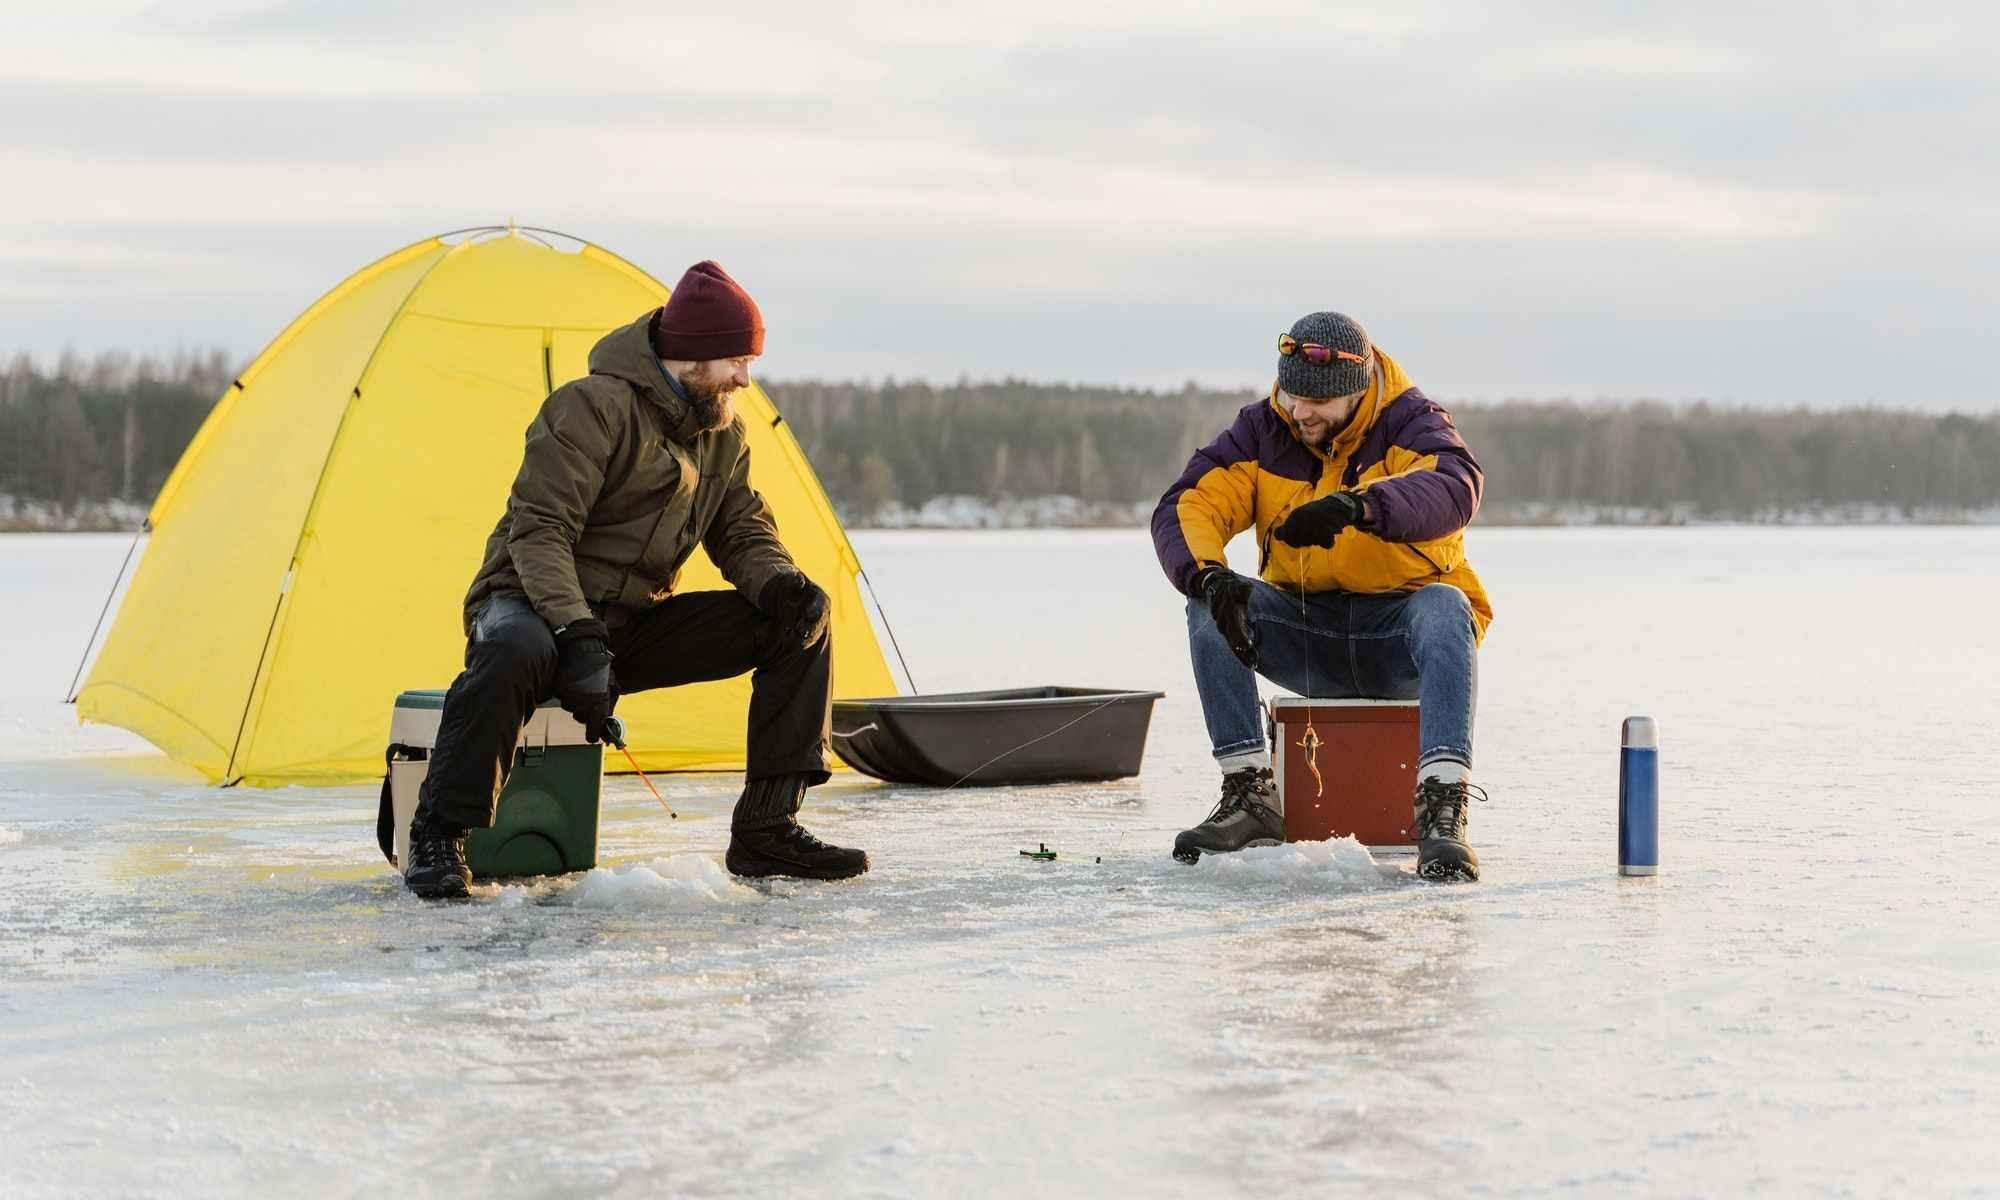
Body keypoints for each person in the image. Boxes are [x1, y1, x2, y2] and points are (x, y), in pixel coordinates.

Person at [402, 261, 866, 900]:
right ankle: (437, 835)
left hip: (626, 623)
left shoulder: (722, 433)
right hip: (526, 603)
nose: (745, 377)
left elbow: (740, 529)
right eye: (735, 359)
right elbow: (539, 533)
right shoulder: (590, 409)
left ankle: (767, 828)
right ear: (693, 356)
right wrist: (576, 632)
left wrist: (781, 583)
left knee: (798, 621)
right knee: (518, 651)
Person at [1151, 312, 1494, 881]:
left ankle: (1442, 809)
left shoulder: (1412, 422)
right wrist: (1210, 575)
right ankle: (1250, 795)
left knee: (1445, 605)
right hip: (1310, 633)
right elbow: (1190, 503)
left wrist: (1359, 507)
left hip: (1399, 639)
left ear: (1357, 391)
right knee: (1209, 602)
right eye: (1291, 395)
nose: (1299, 411)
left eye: (1316, 402)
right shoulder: (1263, 430)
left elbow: (1455, 488)